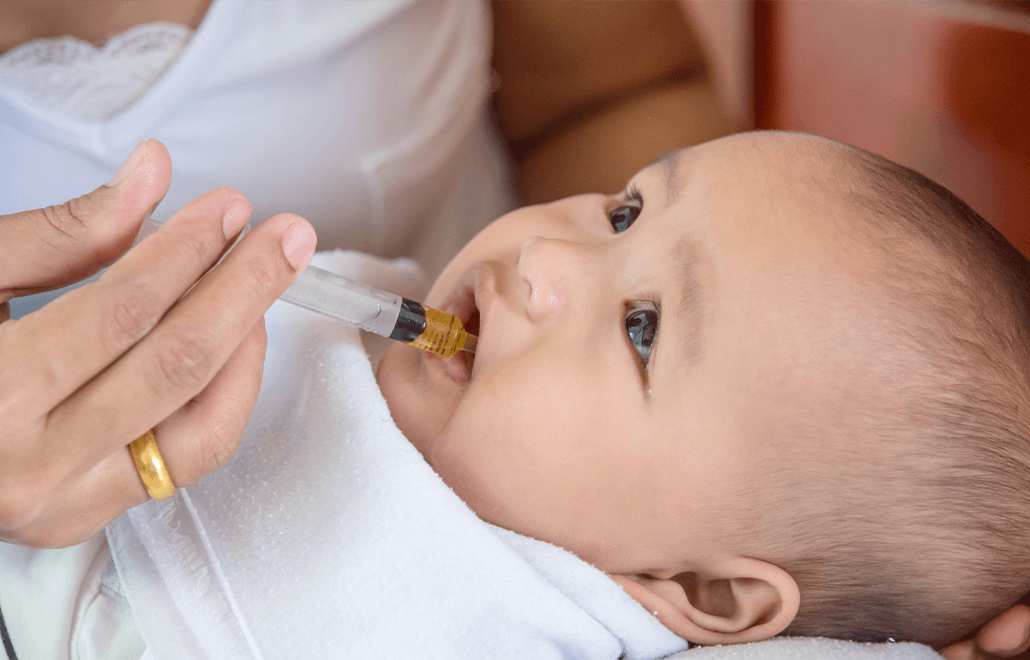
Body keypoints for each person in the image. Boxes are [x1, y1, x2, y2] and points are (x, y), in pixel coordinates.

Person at [14, 131, 1029, 658]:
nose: (546, 254)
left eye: (643, 327)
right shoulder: (387, 330)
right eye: (625, 210)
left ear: (704, 596)